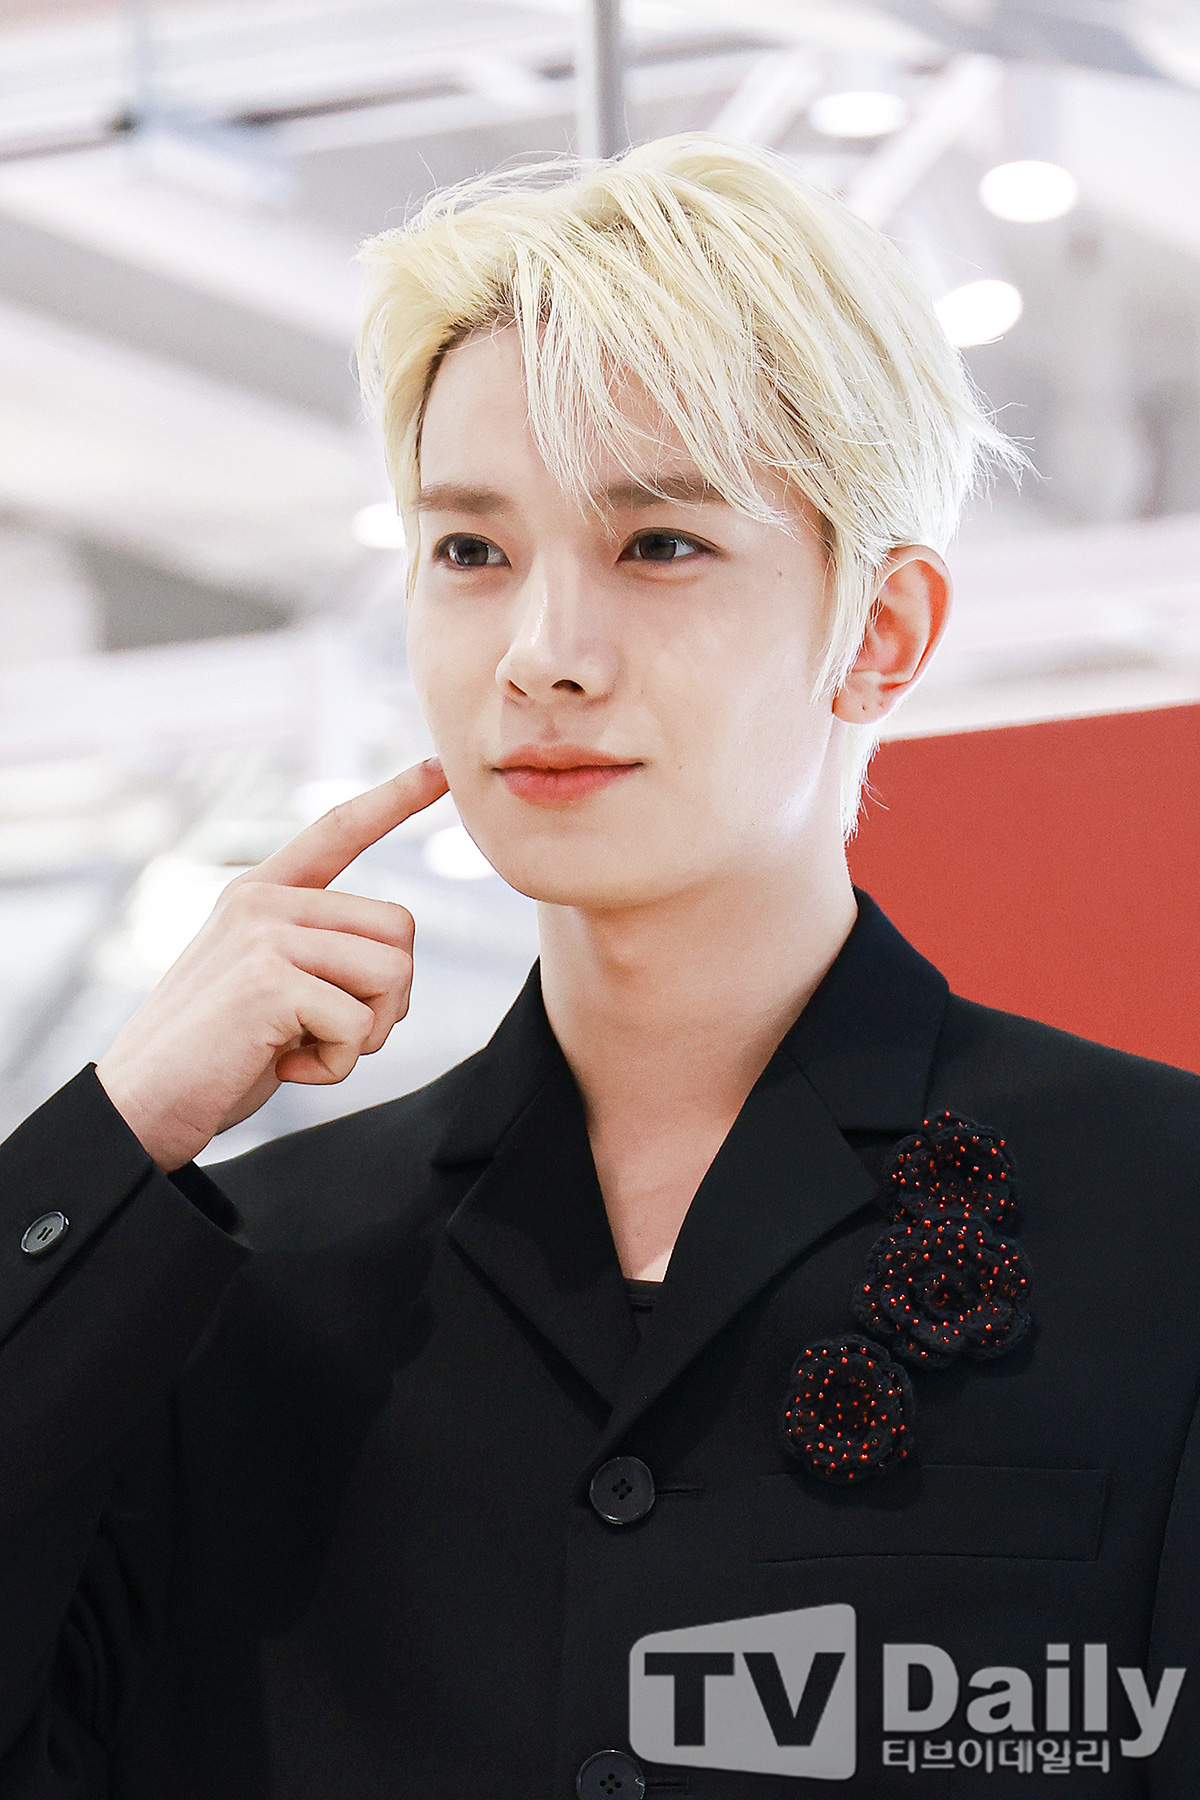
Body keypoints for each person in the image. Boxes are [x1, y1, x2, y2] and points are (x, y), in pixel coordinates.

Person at [0, 133, 1197, 1800]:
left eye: (659, 545)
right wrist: (112, 1137)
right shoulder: (240, 1289)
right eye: (470, 553)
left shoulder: (1162, 1216)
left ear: (882, 632)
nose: (543, 655)